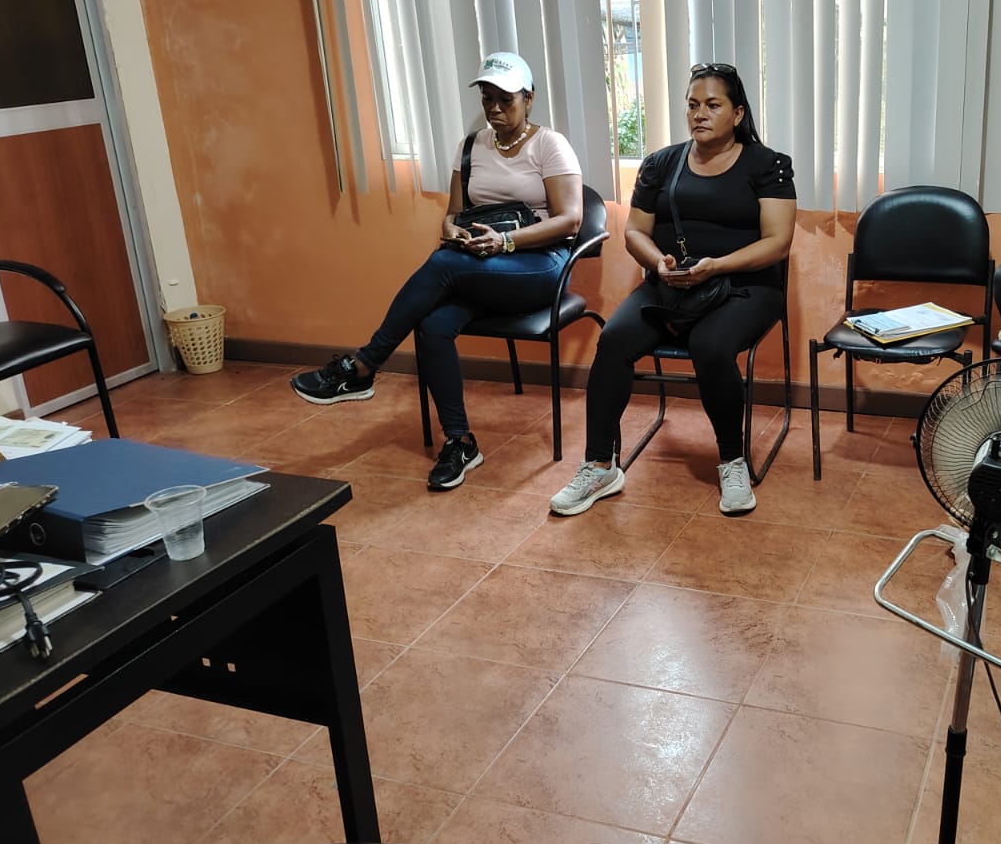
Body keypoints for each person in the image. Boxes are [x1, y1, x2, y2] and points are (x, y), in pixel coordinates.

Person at [291, 51, 584, 491]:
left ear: (529, 98)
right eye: (487, 99)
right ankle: (460, 442)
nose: (495, 109)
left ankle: (365, 364)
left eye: (505, 100)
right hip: (482, 265)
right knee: (432, 325)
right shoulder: (470, 147)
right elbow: (454, 214)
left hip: (540, 266)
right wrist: (453, 230)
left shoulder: (549, 145)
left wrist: (505, 241)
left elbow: (571, 221)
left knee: (444, 264)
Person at [550, 62, 796, 518]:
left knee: (710, 345)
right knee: (614, 340)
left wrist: (717, 266)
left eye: (713, 105)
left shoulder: (768, 166)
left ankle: (732, 461)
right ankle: (600, 465)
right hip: (672, 285)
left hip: (745, 287)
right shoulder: (661, 164)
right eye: (692, 105)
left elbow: (778, 243)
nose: (699, 114)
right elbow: (634, 233)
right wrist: (658, 263)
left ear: (738, 113)